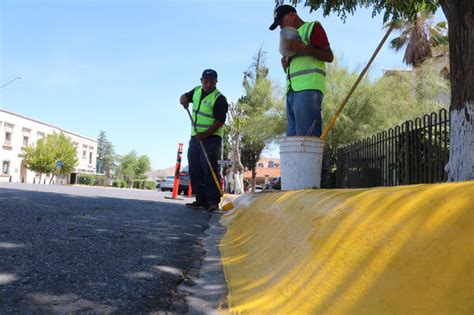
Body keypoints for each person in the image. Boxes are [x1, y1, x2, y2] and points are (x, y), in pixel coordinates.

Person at [269, 4, 334, 137]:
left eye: (281, 22)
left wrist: (304, 49)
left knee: (307, 138)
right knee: (294, 139)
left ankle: (313, 159)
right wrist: (285, 65)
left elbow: (329, 56)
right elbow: (298, 68)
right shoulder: (290, 41)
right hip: (292, 92)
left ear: (292, 15)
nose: (281, 27)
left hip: (308, 89)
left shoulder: (312, 28)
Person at [179, 69, 228, 211]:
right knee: (195, 167)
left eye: (211, 81)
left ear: (216, 82)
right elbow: (185, 97)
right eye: (206, 81)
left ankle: (213, 201)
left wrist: (205, 134)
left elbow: (219, 122)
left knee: (209, 167)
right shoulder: (196, 91)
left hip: (211, 138)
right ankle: (200, 199)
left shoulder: (219, 99)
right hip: (195, 137)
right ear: (201, 80)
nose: (208, 84)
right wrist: (183, 99)